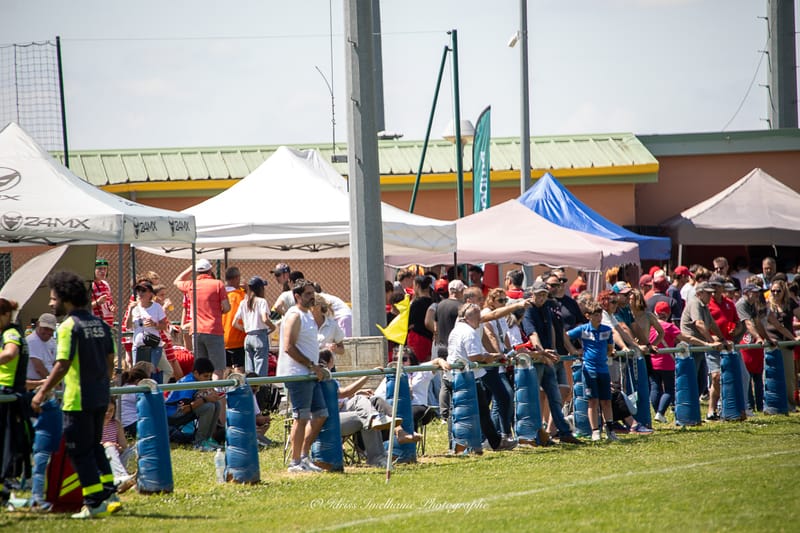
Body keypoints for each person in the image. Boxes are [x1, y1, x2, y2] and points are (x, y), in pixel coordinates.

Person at [31, 271, 119, 519]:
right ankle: (110, 493)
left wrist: (42, 392)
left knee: (79, 451)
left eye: (53, 298)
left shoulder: (69, 326)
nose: (51, 303)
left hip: (77, 398)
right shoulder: (100, 325)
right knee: (94, 447)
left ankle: (94, 503)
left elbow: (62, 364)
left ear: (65, 298)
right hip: (101, 395)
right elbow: (111, 360)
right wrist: (103, 381)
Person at [447, 302, 516, 453]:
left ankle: (485, 444)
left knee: (468, 411)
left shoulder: (457, 330)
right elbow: (474, 356)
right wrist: (490, 357)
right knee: (475, 411)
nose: (480, 320)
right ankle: (480, 445)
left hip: (458, 375)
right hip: (467, 377)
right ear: (469, 317)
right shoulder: (470, 332)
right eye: (478, 317)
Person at [521, 282, 582, 445]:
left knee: (555, 397)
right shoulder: (529, 311)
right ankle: (534, 435)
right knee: (533, 398)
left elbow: (553, 332)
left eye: (544, 295)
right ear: (532, 294)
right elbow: (532, 335)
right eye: (539, 294)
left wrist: (553, 350)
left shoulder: (547, 309)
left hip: (547, 359)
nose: (541, 298)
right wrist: (542, 352)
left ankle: (564, 432)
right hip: (537, 360)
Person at [277, 280, 328, 473]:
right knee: (301, 417)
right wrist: (311, 365)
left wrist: (316, 366)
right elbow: (288, 347)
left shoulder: (308, 315)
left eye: (312, 293)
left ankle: (304, 457)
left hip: (310, 374)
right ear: (297, 296)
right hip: (297, 374)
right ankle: (295, 462)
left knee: (321, 414)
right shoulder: (294, 315)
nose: (311, 297)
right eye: (307, 294)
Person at [566, 302, 618, 441]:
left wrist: (610, 352)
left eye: (600, 314)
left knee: (606, 400)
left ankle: (610, 430)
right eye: (595, 315)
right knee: (592, 401)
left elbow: (609, 347)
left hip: (603, 369)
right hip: (589, 369)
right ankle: (595, 430)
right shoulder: (583, 329)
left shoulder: (606, 330)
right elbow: (565, 336)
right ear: (588, 316)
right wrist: (573, 351)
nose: (599, 317)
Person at [679, 281, 730, 421]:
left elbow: (712, 324)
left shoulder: (704, 305)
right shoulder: (695, 303)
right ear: (699, 293)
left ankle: (693, 413)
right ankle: (687, 413)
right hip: (691, 347)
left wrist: (722, 338)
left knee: (700, 383)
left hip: (699, 347)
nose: (711, 295)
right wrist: (711, 341)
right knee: (691, 380)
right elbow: (699, 324)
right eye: (708, 293)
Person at [174, 259, 231, 380]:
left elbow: (176, 281)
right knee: (217, 368)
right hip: (214, 330)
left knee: (201, 368)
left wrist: (190, 268)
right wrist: (217, 312)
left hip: (197, 330)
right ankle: (216, 394)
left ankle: (203, 393)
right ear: (210, 270)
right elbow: (226, 307)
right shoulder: (218, 284)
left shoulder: (191, 284)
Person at [0, 297, 32, 507]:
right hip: (13, 393)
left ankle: (5, 489)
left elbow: (10, 353)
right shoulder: (16, 332)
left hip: (7, 393)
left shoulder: (11, 333)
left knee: (7, 445)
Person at [164, 357, 223, 451]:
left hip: (184, 411)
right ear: (196, 373)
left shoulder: (199, 380)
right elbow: (184, 408)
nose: (207, 379)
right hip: (172, 415)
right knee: (208, 407)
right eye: (205, 376)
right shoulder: (188, 383)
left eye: (209, 377)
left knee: (216, 404)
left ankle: (208, 439)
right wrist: (205, 399)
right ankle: (199, 443)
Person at [735, 284, 774, 413]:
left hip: (737, 342)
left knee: (749, 377)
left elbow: (757, 323)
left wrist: (767, 339)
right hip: (734, 342)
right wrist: (758, 337)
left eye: (758, 292)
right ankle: (747, 406)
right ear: (747, 293)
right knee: (745, 377)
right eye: (754, 292)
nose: (757, 295)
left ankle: (753, 406)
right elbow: (748, 323)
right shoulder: (742, 304)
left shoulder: (752, 305)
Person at [126, 280, 172, 383]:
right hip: (138, 346)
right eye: (138, 290)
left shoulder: (156, 307)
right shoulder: (134, 308)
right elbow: (128, 326)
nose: (140, 293)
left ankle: (154, 391)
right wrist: (129, 311)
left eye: (143, 290)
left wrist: (154, 324)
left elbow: (164, 326)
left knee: (148, 373)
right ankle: (140, 395)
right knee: (137, 374)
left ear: (150, 293)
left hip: (153, 346)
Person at [764, 279, 800, 409]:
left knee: (789, 375)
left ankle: (790, 404)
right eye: (772, 291)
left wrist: (794, 338)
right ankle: (772, 404)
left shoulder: (790, 304)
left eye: (778, 291)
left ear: (784, 291)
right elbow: (778, 326)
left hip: (786, 344)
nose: (774, 293)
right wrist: (794, 337)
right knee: (771, 375)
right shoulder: (767, 305)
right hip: (772, 343)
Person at [233, 276, 276, 377]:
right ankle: (261, 390)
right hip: (260, 336)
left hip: (248, 337)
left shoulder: (244, 302)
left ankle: (251, 390)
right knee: (260, 369)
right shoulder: (261, 301)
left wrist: (245, 329)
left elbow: (234, 323)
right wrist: (273, 327)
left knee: (249, 371)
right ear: (260, 288)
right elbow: (265, 319)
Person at [101, 400, 136, 493]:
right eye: (105, 410)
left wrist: (119, 448)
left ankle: (136, 476)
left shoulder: (116, 423)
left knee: (136, 448)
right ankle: (121, 477)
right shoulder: (93, 424)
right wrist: (107, 446)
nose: (108, 413)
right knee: (109, 446)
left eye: (111, 411)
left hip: (117, 456)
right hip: (102, 459)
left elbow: (124, 446)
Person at [222, 266, 247, 373]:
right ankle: (238, 388)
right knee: (239, 367)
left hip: (222, 338)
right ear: (236, 278)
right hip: (237, 339)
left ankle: (224, 389)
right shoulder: (241, 295)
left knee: (225, 368)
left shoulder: (220, 294)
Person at [406, 275, 435, 363]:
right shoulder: (434, 301)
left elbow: (409, 322)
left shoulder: (416, 303)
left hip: (417, 338)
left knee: (415, 364)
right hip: (430, 337)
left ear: (417, 286)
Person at [25, 312, 58, 384]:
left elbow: (55, 363)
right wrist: (53, 385)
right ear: (38, 324)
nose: (48, 332)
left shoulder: (52, 341)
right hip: (35, 383)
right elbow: (39, 368)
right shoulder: (32, 341)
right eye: (45, 328)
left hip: (48, 381)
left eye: (51, 329)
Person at [91, 258, 116, 327]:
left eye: (105, 269)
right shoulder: (90, 285)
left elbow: (110, 303)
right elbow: (84, 307)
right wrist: (97, 302)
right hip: (96, 324)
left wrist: (112, 307)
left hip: (108, 324)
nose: (103, 271)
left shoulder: (106, 284)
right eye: (99, 269)